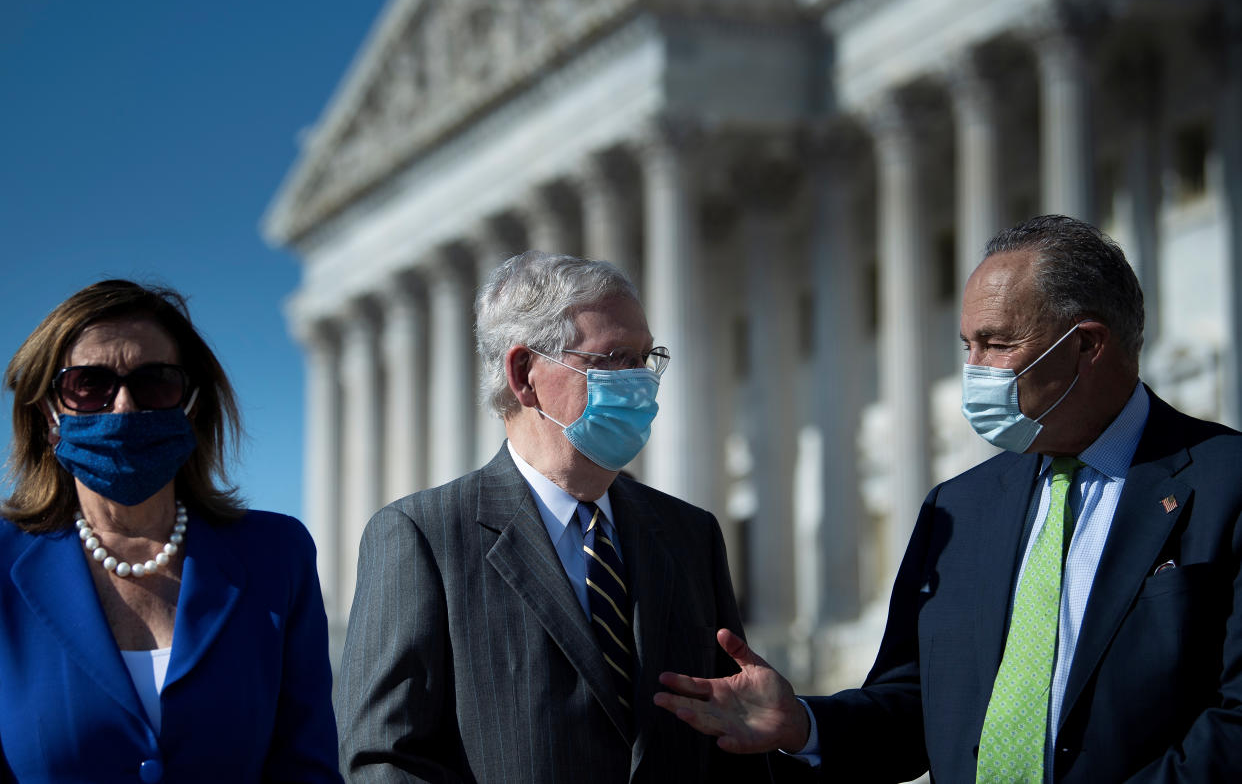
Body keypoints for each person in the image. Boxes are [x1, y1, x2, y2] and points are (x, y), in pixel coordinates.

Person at [654, 215, 1242, 782]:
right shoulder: (958, 508)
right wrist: (803, 723)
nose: (973, 370)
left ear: (1086, 345)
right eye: (967, 345)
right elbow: (915, 706)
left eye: (995, 344)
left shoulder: (1225, 483)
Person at [336, 251, 767, 783]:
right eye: (612, 360)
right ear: (524, 374)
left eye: (645, 359)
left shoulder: (689, 533)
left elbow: (731, 741)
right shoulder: (422, 536)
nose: (639, 383)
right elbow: (386, 760)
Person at [0, 280, 341, 783]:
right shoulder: (7, 564)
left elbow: (304, 765)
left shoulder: (276, 555)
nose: (123, 408)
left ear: (192, 405)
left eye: (155, 383)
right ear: (49, 413)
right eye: (88, 385)